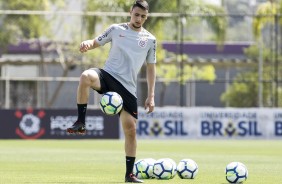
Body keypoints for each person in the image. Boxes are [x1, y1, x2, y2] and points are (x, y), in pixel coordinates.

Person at [67, 0, 156, 183]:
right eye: (137, 14)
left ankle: (129, 175)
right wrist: (86, 44)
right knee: (85, 76)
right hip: (107, 75)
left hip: (128, 88)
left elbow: (151, 68)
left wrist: (151, 95)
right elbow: (95, 42)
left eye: (143, 16)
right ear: (130, 12)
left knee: (130, 130)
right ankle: (80, 122)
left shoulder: (150, 40)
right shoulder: (116, 29)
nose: (139, 19)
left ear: (146, 17)